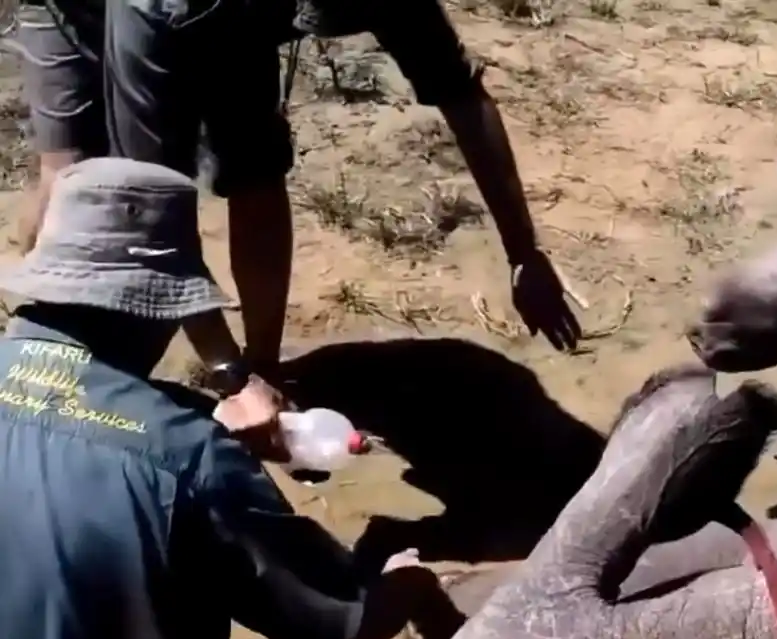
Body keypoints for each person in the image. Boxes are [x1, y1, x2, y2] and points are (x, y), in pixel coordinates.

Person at [0, 156, 463, 639]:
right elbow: (343, 617)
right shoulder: (187, 454)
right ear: (156, 306)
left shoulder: (184, 448)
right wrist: (412, 587)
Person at [9, 0, 582, 387]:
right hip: (82, 9)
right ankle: (52, 373)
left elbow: (462, 95)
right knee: (77, 182)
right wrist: (225, 370)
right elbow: (149, 206)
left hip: (232, 14)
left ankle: (266, 367)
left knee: (255, 168)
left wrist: (524, 253)